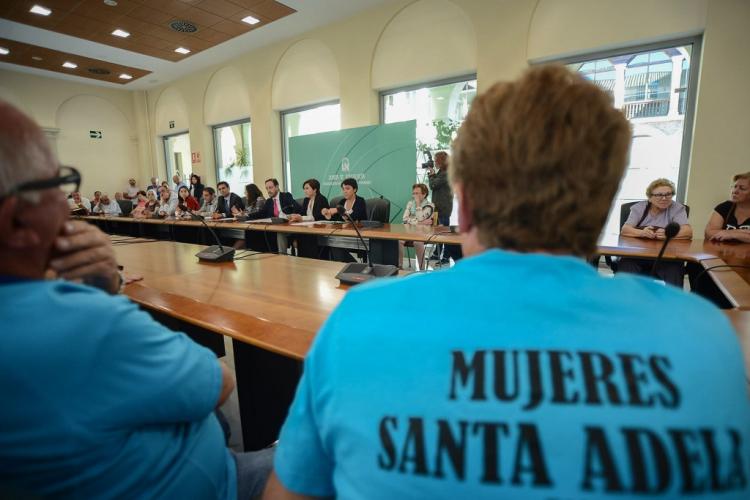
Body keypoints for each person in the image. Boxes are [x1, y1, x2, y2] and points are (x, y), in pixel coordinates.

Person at [264, 66, 750, 499]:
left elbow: (292, 490)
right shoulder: (706, 337)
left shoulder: (358, 320)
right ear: (602, 207)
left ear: (465, 203)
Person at [0, 100, 273, 499]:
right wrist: (101, 295)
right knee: (329, 451)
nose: (69, 205)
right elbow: (220, 381)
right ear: (16, 223)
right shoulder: (82, 320)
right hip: (220, 481)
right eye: (57, 185)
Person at [617, 178, 692, 287]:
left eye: (668, 194)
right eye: (659, 195)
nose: (664, 198)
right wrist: (641, 233)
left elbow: (688, 232)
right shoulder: (639, 207)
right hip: (638, 255)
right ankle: (626, 301)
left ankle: (672, 302)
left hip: (666, 256)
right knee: (626, 265)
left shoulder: (677, 208)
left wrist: (668, 234)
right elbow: (625, 229)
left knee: (675, 268)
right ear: (650, 197)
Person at [427, 151, 460, 264]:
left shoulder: (447, 173)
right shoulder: (442, 172)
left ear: (441, 161)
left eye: (436, 160)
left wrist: (431, 174)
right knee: (439, 232)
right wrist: (433, 173)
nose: (435, 162)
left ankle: (445, 257)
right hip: (438, 207)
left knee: (445, 233)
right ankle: (437, 253)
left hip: (443, 207)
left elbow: (433, 185)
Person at [289, 179, 329, 259]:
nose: (305, 191)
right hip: (307, 228)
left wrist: (301, 218)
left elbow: (318, 216)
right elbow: (302, 213)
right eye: (304, 189)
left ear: (315, 189)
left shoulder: (321, 199)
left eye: (307, 188)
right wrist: (296, 216)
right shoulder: (306, 200)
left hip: (318, 230)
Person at [705, 172, 750, 242]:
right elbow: (709, 233)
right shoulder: (725, 207)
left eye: (742, 188)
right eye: (735, 187)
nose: (735, 191)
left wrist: (733, 234)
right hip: (724, 251)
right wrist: (742, 234)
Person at [398, 183, 434, 268]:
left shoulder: (430, 206)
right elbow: (404, 219)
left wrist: (418, 205)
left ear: (424, 194)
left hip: (423, 232)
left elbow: (420, 218)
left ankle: (422, 268)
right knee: (398, 240)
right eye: (413, 193)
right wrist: (419, 222)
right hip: (408, 231)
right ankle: (399, 266)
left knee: (417, 242)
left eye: (417, 193)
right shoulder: (410, 203)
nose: (414, 195)